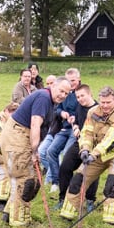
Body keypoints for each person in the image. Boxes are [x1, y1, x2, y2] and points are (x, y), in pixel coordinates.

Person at [0, 76, 72, 226]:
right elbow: (35, 124)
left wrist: (35, 150)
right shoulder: (43, 97)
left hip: (22, 136)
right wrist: (34, 151)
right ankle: (19, 220)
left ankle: (9, 213)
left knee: (27, 176)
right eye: (61, 91)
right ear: (52, 86)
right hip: (18, 136)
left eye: (66, 93)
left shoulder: (52, 102)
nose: (63, 95)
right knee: (25, 178)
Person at [59, 85, 114, 225]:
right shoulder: (92, 112)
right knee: (79, 178)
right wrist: (85, 149)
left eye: (108, 102)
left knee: (112, 182)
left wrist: (94, 154)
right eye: (102, 102)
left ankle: (110, 220)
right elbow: (87, 133)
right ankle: (67, 213)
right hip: (97, 153)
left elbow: (111, 139)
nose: (104, 105)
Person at [38, 67, 81, 196]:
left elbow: (87, 111)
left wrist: (76, 119)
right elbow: (57, 109)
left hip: (75, 130)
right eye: (69, 80)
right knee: (51, 151)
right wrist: (62, 113)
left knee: (66, 156)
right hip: (62, 129)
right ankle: (55, 182)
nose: (71, 83)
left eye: (73, 80)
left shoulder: (82, 92)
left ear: (78, 79)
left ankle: (65, 183)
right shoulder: (63, 93)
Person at [56, 83, 99, 209]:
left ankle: (90, 200)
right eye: (78, 96)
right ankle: (63, 198)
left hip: (94, 145)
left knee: (91, 171)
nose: (80, 99)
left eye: (82, 96)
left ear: (90, 94)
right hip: (79, 142)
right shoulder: (80, 107)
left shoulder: (98, 109)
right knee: (64, 167)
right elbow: (77, 121)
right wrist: (75, 127)